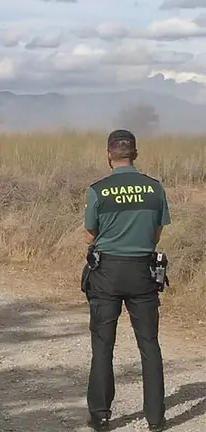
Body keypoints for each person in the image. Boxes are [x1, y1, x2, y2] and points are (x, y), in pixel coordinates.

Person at [82, 129, 170, 432]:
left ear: (109, 154)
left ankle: (100, 415)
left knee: (103, 345)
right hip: (143, 273)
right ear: (136, 153)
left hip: (106, 274)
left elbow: (89, 234)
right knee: (149, 344)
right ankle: (156, 418)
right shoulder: (154, 189)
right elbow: (157, 233)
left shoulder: (97, 190)